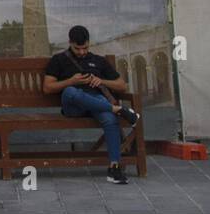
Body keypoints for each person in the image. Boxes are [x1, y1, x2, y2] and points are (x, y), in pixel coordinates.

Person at [42, 25, 140, 185]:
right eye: (77, 48)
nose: (82, 52)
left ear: (89, 43)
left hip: (97, 105)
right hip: (73, 106)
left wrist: (102, 81)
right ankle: (117, 109)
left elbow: (122, 85)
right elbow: (47, 88)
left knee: (109, 119)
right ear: (70, 43)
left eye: (85, 48)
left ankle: (114, 167)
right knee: (70, 91)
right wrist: (71, 81)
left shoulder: (98, 60)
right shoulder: (59, 59)